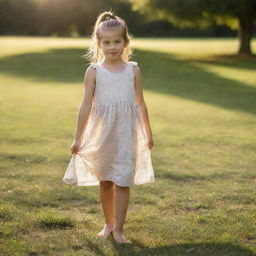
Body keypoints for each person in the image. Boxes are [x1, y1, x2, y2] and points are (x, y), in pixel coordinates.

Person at [63, 10, 155, 244]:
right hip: (102, 135)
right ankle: (109, 222)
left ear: (126, 42)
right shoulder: (94, 72)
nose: (113, 47)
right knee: (106, 180)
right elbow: (85, 106)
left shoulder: (133, 70)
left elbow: (140, 103)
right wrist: (77, 138)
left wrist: (148, 132)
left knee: (123, 181)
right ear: (99, 43)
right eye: (107, 42)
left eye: (117, 41)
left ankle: (120, 229)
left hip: (127, 135)